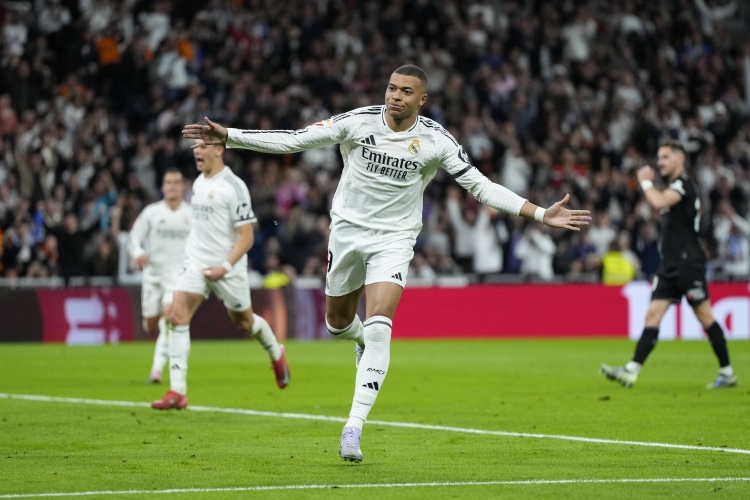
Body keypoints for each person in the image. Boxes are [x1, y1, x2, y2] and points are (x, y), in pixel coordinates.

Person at [182, 64, 590, 460]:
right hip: (347, 234)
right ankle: (358, 340)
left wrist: (540, 213)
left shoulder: (436, 140)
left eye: (406, 91)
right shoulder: (358, 122)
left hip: (394, 240)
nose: (395, 96)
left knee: (380, 326)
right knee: (337, 324)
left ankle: (353, 427)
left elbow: (480, 187)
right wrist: (230, 136)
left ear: (422, 100)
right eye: (392, 88)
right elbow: (294, 140)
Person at [151, 141, 290, 410]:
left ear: (219, 150)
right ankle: (177, 391)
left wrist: (224, 267)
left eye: (203, 146)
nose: (197, 151)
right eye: (195, 147)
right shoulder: (198, 183)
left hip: (228, 268)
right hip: (196, 263)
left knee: (245, 322)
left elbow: (247, 237)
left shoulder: (234, 187)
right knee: (176, 316)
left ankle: (276, 351)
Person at [600, 139, 736, 389]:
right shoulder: (673, 188)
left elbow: (659, 202)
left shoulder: (683, 184)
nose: (659, 162)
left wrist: (645, 182)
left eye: (665, 157)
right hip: (670, 264)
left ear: (679, 159)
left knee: (704, 316)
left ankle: (727, 372)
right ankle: (631, 370)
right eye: (659, 157)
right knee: (653, 314)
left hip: (688, 263)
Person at [128, 168, 191, 384]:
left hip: (178, 276)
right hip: (153, 276)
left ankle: (156, 370)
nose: (172, 186)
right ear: (163, 187)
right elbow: (134, 237)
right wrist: (138, 253)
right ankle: (152, 326)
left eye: (176, 182)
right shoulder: (151, 213)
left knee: (169, 319)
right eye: (168, 182)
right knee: (151, 324)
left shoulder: (192, 215)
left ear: (183, 187)